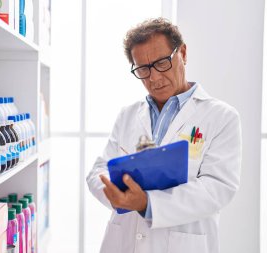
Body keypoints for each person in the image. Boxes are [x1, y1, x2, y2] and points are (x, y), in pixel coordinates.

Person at [86, 17, 242, 253]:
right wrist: (116, 194)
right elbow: (98, 171)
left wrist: (148, 203)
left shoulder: (221, 117)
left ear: (183, 54)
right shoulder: (128, 115)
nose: (154, 78)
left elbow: (217, 188)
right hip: (124, 242)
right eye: (143, 69)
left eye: (161, 63)